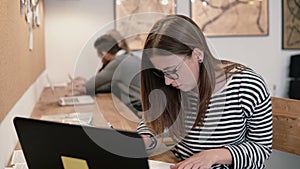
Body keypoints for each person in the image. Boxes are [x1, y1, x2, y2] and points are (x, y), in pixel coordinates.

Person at [137, 14, 272, 169]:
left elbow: (261, 149)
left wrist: (213, 155)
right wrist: (145, 138)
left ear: (198, 55)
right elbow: (151, 120)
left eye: (171, 70)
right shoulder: (173, 85)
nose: (167, 81)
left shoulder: (247, 86)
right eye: (161, 73)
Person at [70, 30, 142, 113]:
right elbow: (111, 85)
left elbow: (97, 80)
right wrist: (86, 86)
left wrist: (82, 86)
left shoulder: (118, 62)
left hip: (135, 106)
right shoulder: (131, 57)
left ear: (105, 53)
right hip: (142, 104)